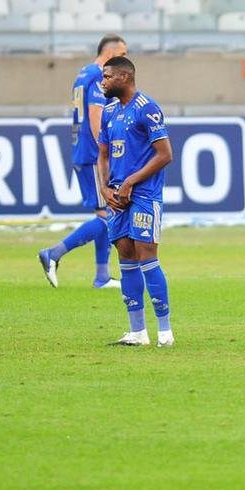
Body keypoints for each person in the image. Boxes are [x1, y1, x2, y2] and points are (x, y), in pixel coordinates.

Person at [97, 56, 176, 347]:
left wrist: (131, 181)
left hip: (144, 195)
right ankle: (137, 332)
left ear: (124, 78)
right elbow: (102, 154)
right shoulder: (108, 111)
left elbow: (165, 154)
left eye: (107, 76)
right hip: (116, 197)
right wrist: (105, 188)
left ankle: (165, 332)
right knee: (125, 256)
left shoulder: (148, 109)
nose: (102, 82)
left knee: (146, 254)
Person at [38, 34, 128, 289]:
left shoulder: (83, 74)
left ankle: (101, 276)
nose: (126, 58)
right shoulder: (100, 76)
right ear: (112, 54)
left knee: (105, 213)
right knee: (106, 216)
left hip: (81, 149)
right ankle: (53, 253)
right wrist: (106, 149)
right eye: (124, 53)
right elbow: (95, 114)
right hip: (92, 154)